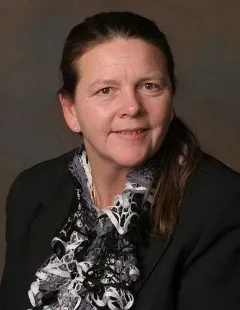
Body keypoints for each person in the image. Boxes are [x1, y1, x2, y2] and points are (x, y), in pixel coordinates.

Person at [0, 11, 239, 310]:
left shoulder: (223, 205)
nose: (131, 106)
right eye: (106, 90)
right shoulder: (31, 191)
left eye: (149, 86)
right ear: (71, 110)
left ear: (171, 98)